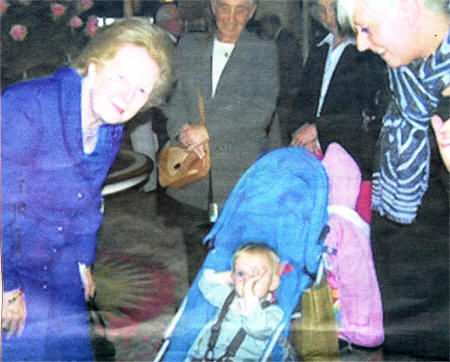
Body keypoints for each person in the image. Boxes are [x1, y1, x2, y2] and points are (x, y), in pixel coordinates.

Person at [1, 17, 174, 361]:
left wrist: (83, 260)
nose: (128, 95)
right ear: (94, 65)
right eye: (121, 76)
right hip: (10, 260)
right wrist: (7, 287)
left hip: (61, 257)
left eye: (142, 89)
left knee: (73, 350)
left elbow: (87, 200)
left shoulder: (108, 127)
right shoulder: (26, 107)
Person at [336, 0, 449, 358]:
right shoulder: (404, 75)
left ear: (405, 7)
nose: (361, 44)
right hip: (403, 298)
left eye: (366, 27)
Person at [162, 0, 280, 213]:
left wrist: (207, 132)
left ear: (252, 12)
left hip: (237, 171)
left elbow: (262, 110)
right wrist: (182, 130)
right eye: (224, 8)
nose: (231, 18)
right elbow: (172, 96)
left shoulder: (263, 51)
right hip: (189, 166)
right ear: (214, 8)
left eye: (241, 10)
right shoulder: (189, 45)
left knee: (234, 243)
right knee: (193, 240)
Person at [290, 0, 388, 182]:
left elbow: (365, 109)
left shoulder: (367, 51)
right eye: (321, 10)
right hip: (313, 153)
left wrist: (319, 128)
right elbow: (301, 100)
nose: (327, 18)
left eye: (333, 9)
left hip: (350, 156)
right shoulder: (319, 48)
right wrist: (302, 130)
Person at [187, 242, 284, 361]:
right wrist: (232, 276)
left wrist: (249, 297)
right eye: (242, 274)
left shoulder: (273, 313)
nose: (248, 280)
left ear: (273, 283)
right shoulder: (228, 297)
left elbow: (258, 329)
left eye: (256, 275)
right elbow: (206, 284)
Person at [257, 14, 303, 146]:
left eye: (265, 28)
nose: (264, 31)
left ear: (272, 24)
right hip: (286, 90)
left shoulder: (285, 39)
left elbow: (282, 65)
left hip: (289, 90)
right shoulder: (282, 38)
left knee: (286, 125)